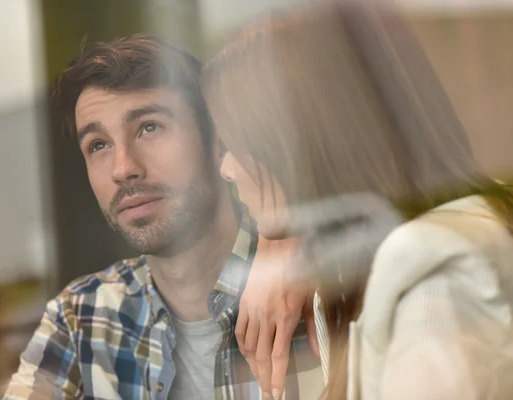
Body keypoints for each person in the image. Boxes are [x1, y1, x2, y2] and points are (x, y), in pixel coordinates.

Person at [202, 1, 513, 399]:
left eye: (235, 143)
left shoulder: (432, 284)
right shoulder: (357, 280)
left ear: (292, 140)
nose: (226, 168)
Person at [3, 33, 322, 400]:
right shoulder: (80, 318)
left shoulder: (315, 274)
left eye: (149, 127)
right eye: (99, 145)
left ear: (217, 139)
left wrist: (297, 238)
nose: (123, 169)